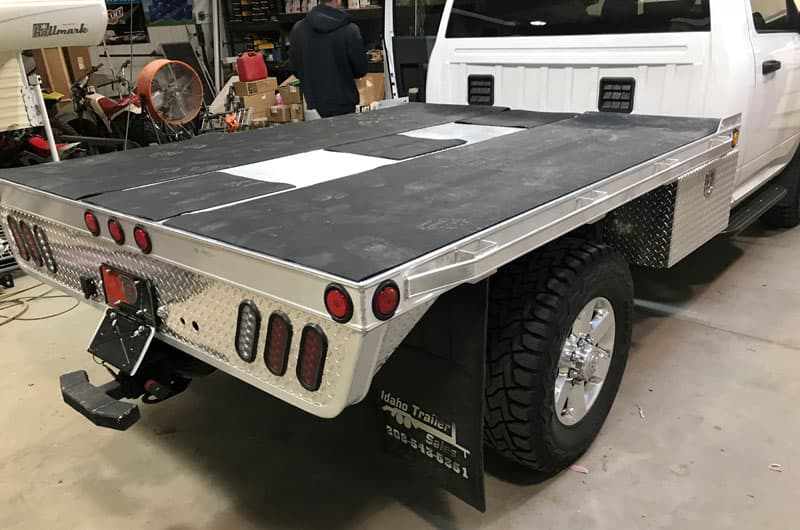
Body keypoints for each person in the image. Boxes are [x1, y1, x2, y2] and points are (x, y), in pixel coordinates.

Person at [289, 0, 369, 118]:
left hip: (313, 104)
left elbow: (295, 68)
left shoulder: (298, 29)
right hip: (344, 103)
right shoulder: (350, 30)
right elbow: (360, 70)